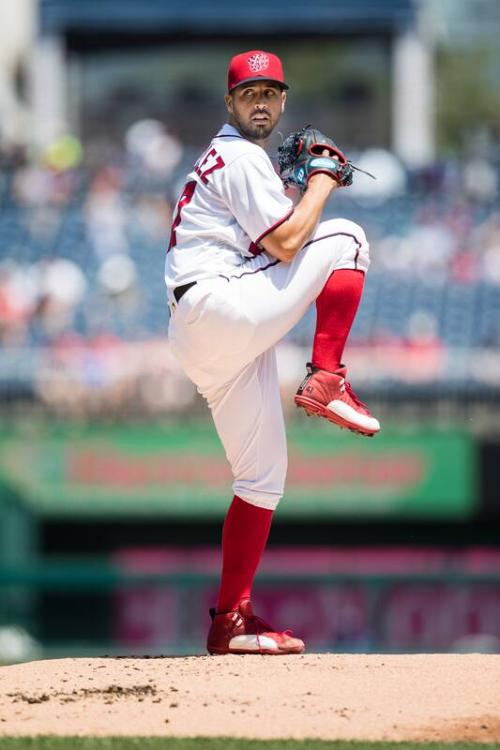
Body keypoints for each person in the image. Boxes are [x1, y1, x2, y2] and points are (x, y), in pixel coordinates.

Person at [165, 49, 380, 655]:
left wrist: (299, 189)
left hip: (206, 330)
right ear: (230, 103)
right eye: (248, 92)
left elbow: (273, 240)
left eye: (270, 92)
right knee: (348, 237)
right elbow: (289, 243)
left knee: (261, 479)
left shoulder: (233, 160)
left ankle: (230, 620)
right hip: (219, 306)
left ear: (282, 101)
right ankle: (328, 378)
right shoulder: (238, 154)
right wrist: (320, 182)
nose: (260, 100)